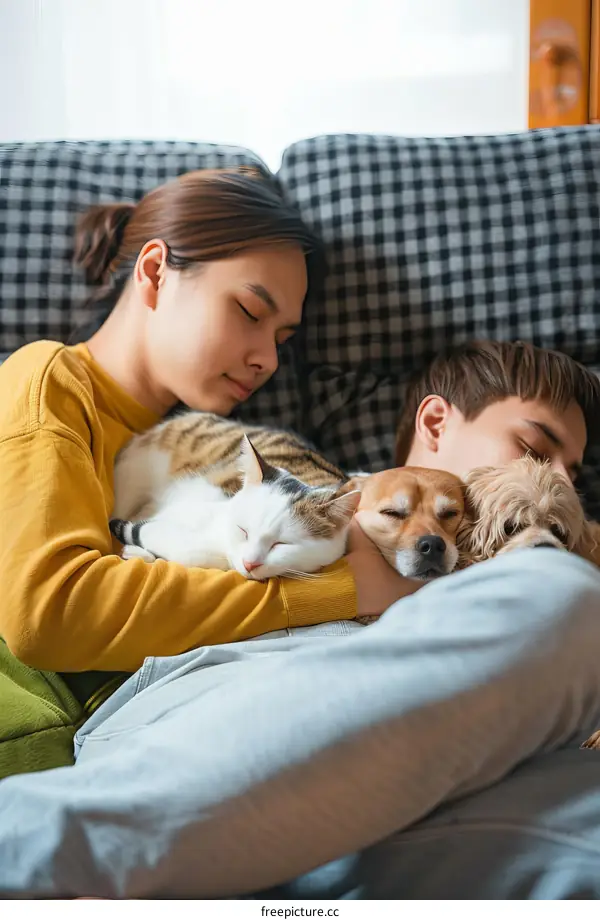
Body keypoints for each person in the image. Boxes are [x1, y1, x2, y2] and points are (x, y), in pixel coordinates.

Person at [2, 340, 600, 899]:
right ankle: (29, 842)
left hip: (417, 790)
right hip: (219, 697)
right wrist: (353, 587)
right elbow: (70, 604)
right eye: (535, 449)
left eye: (573, 472)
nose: (557, 481)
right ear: (436, 422)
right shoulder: (303, 501)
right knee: (563, 597)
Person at [0, 167, 416, 780]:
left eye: (283, 338)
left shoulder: (195, 452)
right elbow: (50, 614)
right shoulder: (50, 382)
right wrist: (341, 590)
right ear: (155, 272)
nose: (268, 359)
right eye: (250, 311)